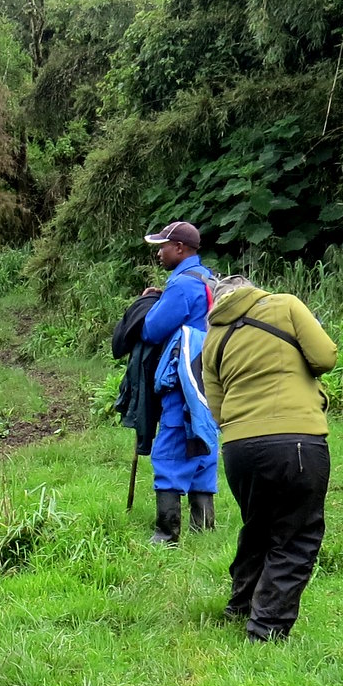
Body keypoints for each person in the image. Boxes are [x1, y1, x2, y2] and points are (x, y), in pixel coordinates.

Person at [202, 277, 340, 641]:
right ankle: (266, 628)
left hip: (238, 447)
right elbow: (325, 357)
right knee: (295, 535)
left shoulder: (213, 334)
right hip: (296, 439)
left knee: (258, 526)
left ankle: (242, 604)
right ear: (252, 289)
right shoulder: (286, 304)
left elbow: (215, 404)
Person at [138, 220, 219, 544]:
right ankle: (204, 531)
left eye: (163, 246)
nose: (159, 253)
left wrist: (150, 304)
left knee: (171, 447)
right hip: (210, 377)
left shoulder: (182, 286)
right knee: (203, 443)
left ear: (180, 249)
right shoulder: (208, 279)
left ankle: (166, 534)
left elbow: (152, 330)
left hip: (183, 378)